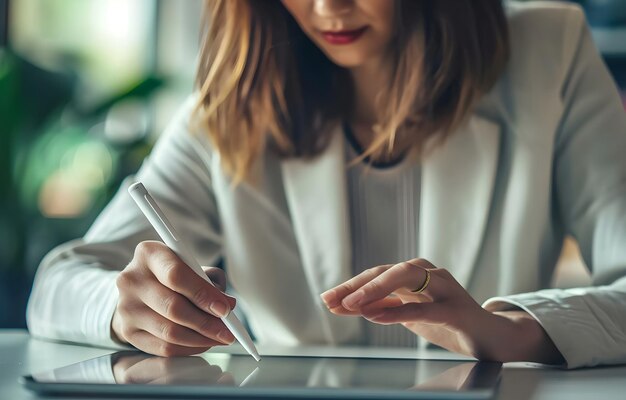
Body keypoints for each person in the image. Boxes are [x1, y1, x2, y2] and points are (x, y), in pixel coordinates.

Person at [27, 0, 626, 369]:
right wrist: (127, 306)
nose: (327, 8)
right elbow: (57, 285)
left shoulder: (553, 52)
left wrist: (509, 330)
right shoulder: (234, 104)